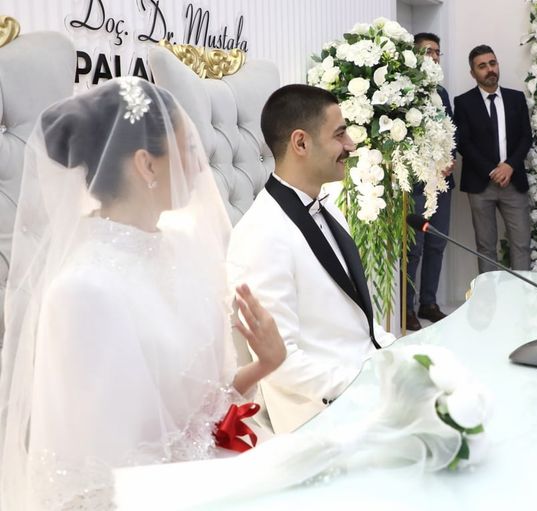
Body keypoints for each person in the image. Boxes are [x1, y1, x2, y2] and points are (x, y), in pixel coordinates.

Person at [0, 78, 286, 509]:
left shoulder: (183, 249)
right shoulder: (84, 290)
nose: (200, 167)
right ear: (147, 165)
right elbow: (100, 479)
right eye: (189, 150)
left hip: (211, 479)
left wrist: (266, 363)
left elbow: (203, 414)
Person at [228, 84, 395, 434]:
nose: (351, 144)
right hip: (324, 416)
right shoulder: (262, 233)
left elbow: (354, 322)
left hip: (369, 383)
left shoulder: (329, 206)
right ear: (301, 143)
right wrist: (366, 385)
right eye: (340, 134)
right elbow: (280, 362)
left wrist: (399, 356)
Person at [454, 45, 533, 272]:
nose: (490, 69)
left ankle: (521, 292)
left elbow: (526, 137)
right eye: (482, 66)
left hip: (513, 181)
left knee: (521, 244)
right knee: (486, 246)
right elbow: (464, 143)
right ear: (473, 73)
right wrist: (492, 170)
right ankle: (489, 294)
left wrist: (509, 166)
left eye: (492, 63)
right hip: (481, 184)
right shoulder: (463, 102)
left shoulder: (516, 98)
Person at [405, 32, 455, 331]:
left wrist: (450, 159)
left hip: (442, 182)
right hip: (417, 183)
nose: (434, 57)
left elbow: (450, 131)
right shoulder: (406, 91)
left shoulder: (443, 93)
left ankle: (429, 303)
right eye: (428, 52)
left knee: (437, 243)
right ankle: (407, 309)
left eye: (437, 52)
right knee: (414, 249)